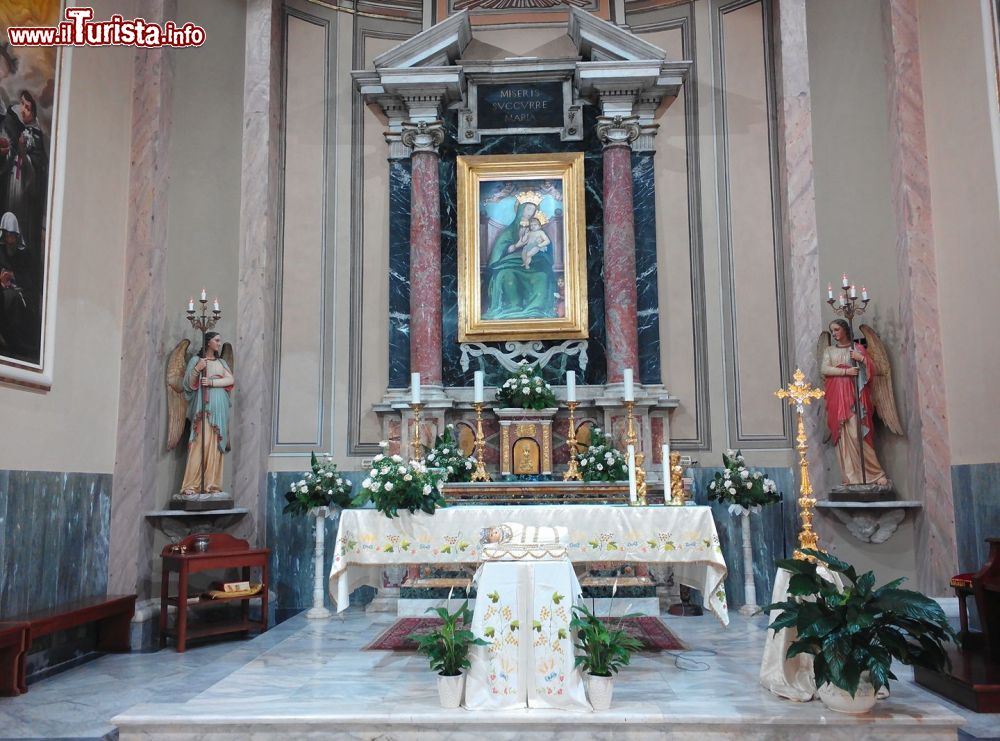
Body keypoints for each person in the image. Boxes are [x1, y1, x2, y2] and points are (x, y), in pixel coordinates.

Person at [820, 318, 890, 487]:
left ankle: (874, 473)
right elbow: (824, 369)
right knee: (843, 437)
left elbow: (874, 371)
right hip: (837, 398)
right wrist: (846, 371)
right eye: (832, 331)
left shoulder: (857, 348)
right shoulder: (829, 351)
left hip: (855, 399)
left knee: (858, 434)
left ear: (845, 329)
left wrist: (862, 359)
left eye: (837, 329)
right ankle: (850, 477)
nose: (835, 334)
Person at [179, 331, 234, 495]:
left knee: (215, 445)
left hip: (219, 406)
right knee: (200, 443)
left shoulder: (222, 362)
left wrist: (211, 382)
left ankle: (212, 484)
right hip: (203, 407)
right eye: (216, 340)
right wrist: (197, 369)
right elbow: (188, 384)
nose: (219, 343)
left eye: (219, 340)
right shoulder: (197, 360)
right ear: (208, 342)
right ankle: (191, 485)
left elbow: (231, 380)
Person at [483, 201, 557, 320]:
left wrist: (539, 245)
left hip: (536, 261)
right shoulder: (509, 231)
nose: (531, 212)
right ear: (520, 210)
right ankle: (512, 308)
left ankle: (535, 309)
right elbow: (502, 249)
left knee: (542, 277)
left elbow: (546, 246)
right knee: (505, 274)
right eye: (528, 209)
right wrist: (518, 245)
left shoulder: (538, 228)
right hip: (512, 262)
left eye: (533, 210)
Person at [0, 211, 39, 361]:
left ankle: (16, 343)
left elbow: (31, 281)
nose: (10, 240)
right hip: (3, 290)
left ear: (17, 236)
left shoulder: (24, 256)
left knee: (14, 299)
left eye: (12, 236)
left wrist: (14, 277)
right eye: (7, 235)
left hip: (20, 292)